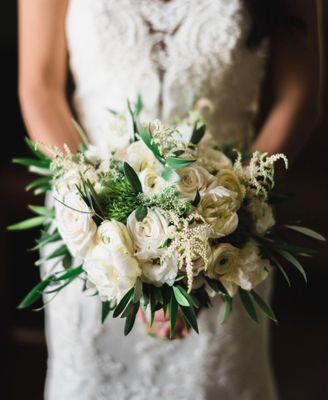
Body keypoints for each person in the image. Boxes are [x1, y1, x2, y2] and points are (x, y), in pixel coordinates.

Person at [18, 1, 321, 399]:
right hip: (93, 240)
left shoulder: (227, 234)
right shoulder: (92, 228)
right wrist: (100, 224)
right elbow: (40, 87)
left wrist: (221, 231)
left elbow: (297, 99)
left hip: (227, 238)